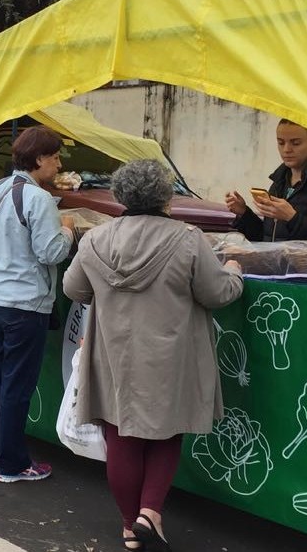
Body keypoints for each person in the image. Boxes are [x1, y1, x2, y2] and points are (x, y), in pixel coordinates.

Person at [62, 159, 244, 552]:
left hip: (113, 354)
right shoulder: (188, 239)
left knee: (120, 437)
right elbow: (218, 294)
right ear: (165, 196)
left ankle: (130, 527)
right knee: (166, 434)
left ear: (120, 195)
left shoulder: (96, 240)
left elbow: (73, 289)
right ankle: (150, 512)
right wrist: (234, 271)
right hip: (170, 356)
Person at [0, 125, 75, 483]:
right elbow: (51, 252)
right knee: (16, 384)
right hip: (23, 303)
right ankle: (12, 465)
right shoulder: (39, 199)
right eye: (56, 157)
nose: (59, 165)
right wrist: (68, 230)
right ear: (39, 159)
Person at [225, 118, 307, 242]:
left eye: (295, 143)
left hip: (303, 262)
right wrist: (244, 213)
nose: (286, 149)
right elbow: (267, 237)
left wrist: (292, 217)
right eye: (281, 143)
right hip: (273, 261)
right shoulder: (280, 181)